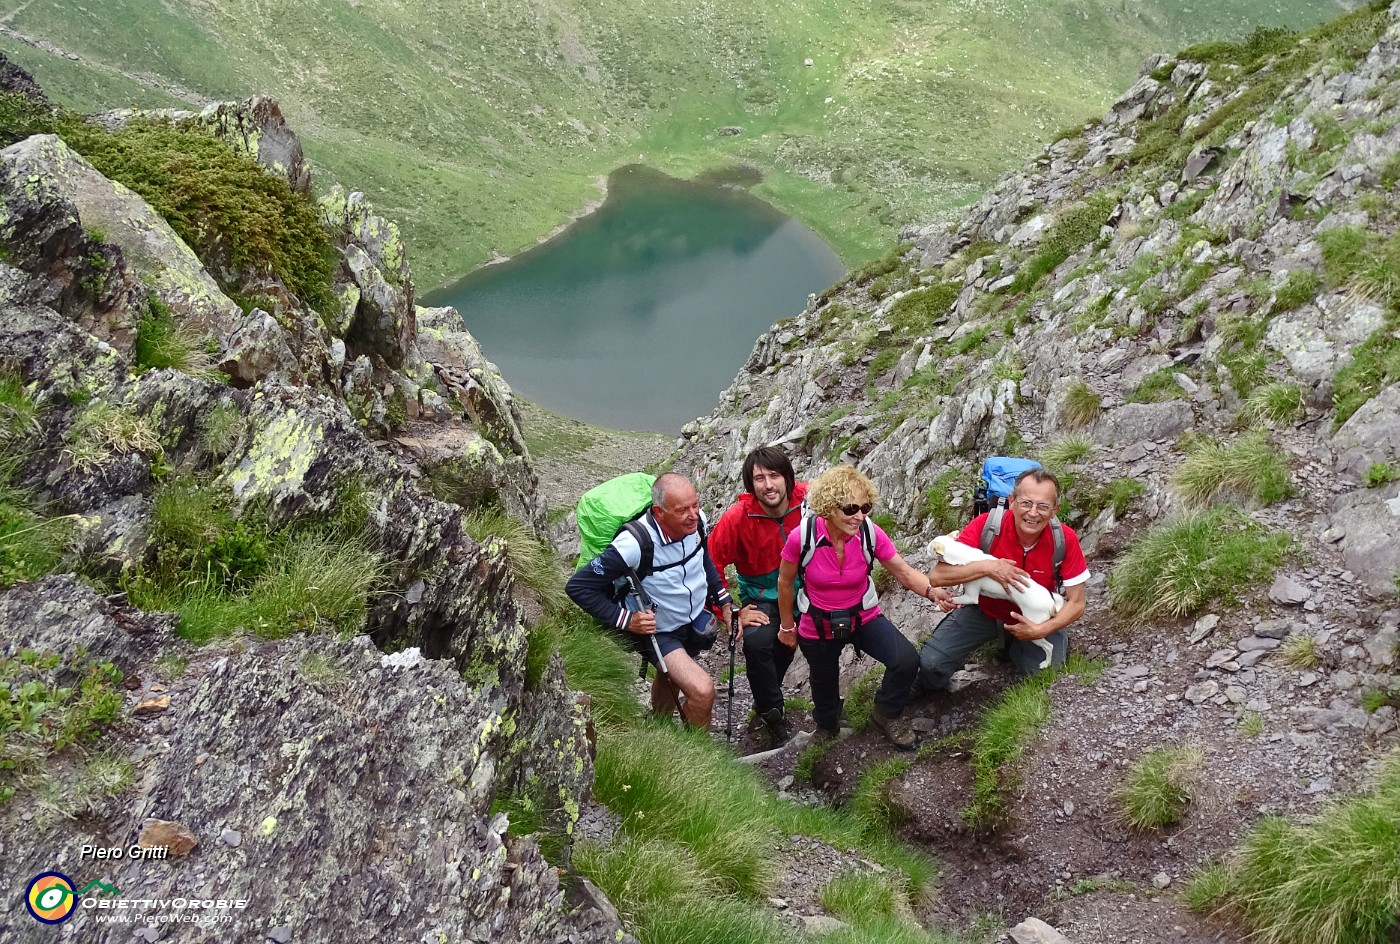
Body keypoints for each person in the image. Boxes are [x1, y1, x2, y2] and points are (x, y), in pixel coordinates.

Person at [777, 465, 954, 751]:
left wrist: (931, 591)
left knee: (905, 660)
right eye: (850, 508)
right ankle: (826, 725)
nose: (860, 515)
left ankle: (886, 713)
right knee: (824, 679)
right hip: (817, 621)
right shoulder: (802, 537)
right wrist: (787, 626)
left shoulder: (869, 533)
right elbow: (785, 583)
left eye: (865, 507)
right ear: (828, 507)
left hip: (863, 615)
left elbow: (903, 571)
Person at [566, 473, 734, 729]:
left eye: (695, 504)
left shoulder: (697, 523)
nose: (692, 514)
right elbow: (578, 586)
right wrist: (627, 620)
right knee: (702, 691)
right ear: (659, 512)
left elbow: (702, 559)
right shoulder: (633, 545)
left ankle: (660, 727)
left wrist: (724, 601)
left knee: (671, 680)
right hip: (659, 630)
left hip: (689, 620)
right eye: (682, 510)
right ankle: (696, 755)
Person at [917, 468, 1090, 689]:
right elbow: (937, 576)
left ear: (1055, 510)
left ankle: (1016, 646)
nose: (1033, 513)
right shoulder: (986, 526)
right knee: (931, 664)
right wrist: (988, 567)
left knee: (1046, 678)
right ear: (1012, 501)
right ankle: (924, 690)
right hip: (983, 610)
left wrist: (1043, 630)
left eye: (1043, 506)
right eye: (1026, 503)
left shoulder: (1064, 539)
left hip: (1035, 616)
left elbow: (1077, 603)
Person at [708, 447, 808, 746]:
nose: (768, 485)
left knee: (799, 643)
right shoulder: (738, 517)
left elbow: (838, 491)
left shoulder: (806, 502)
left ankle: (784, 702)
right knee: (757, 642)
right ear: (751, 486)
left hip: (808, 591)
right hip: (762, 596)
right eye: (759, 478)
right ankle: (771, 711)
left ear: (788, 479)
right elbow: (711, 564)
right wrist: (730, 611)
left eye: (775, 476)